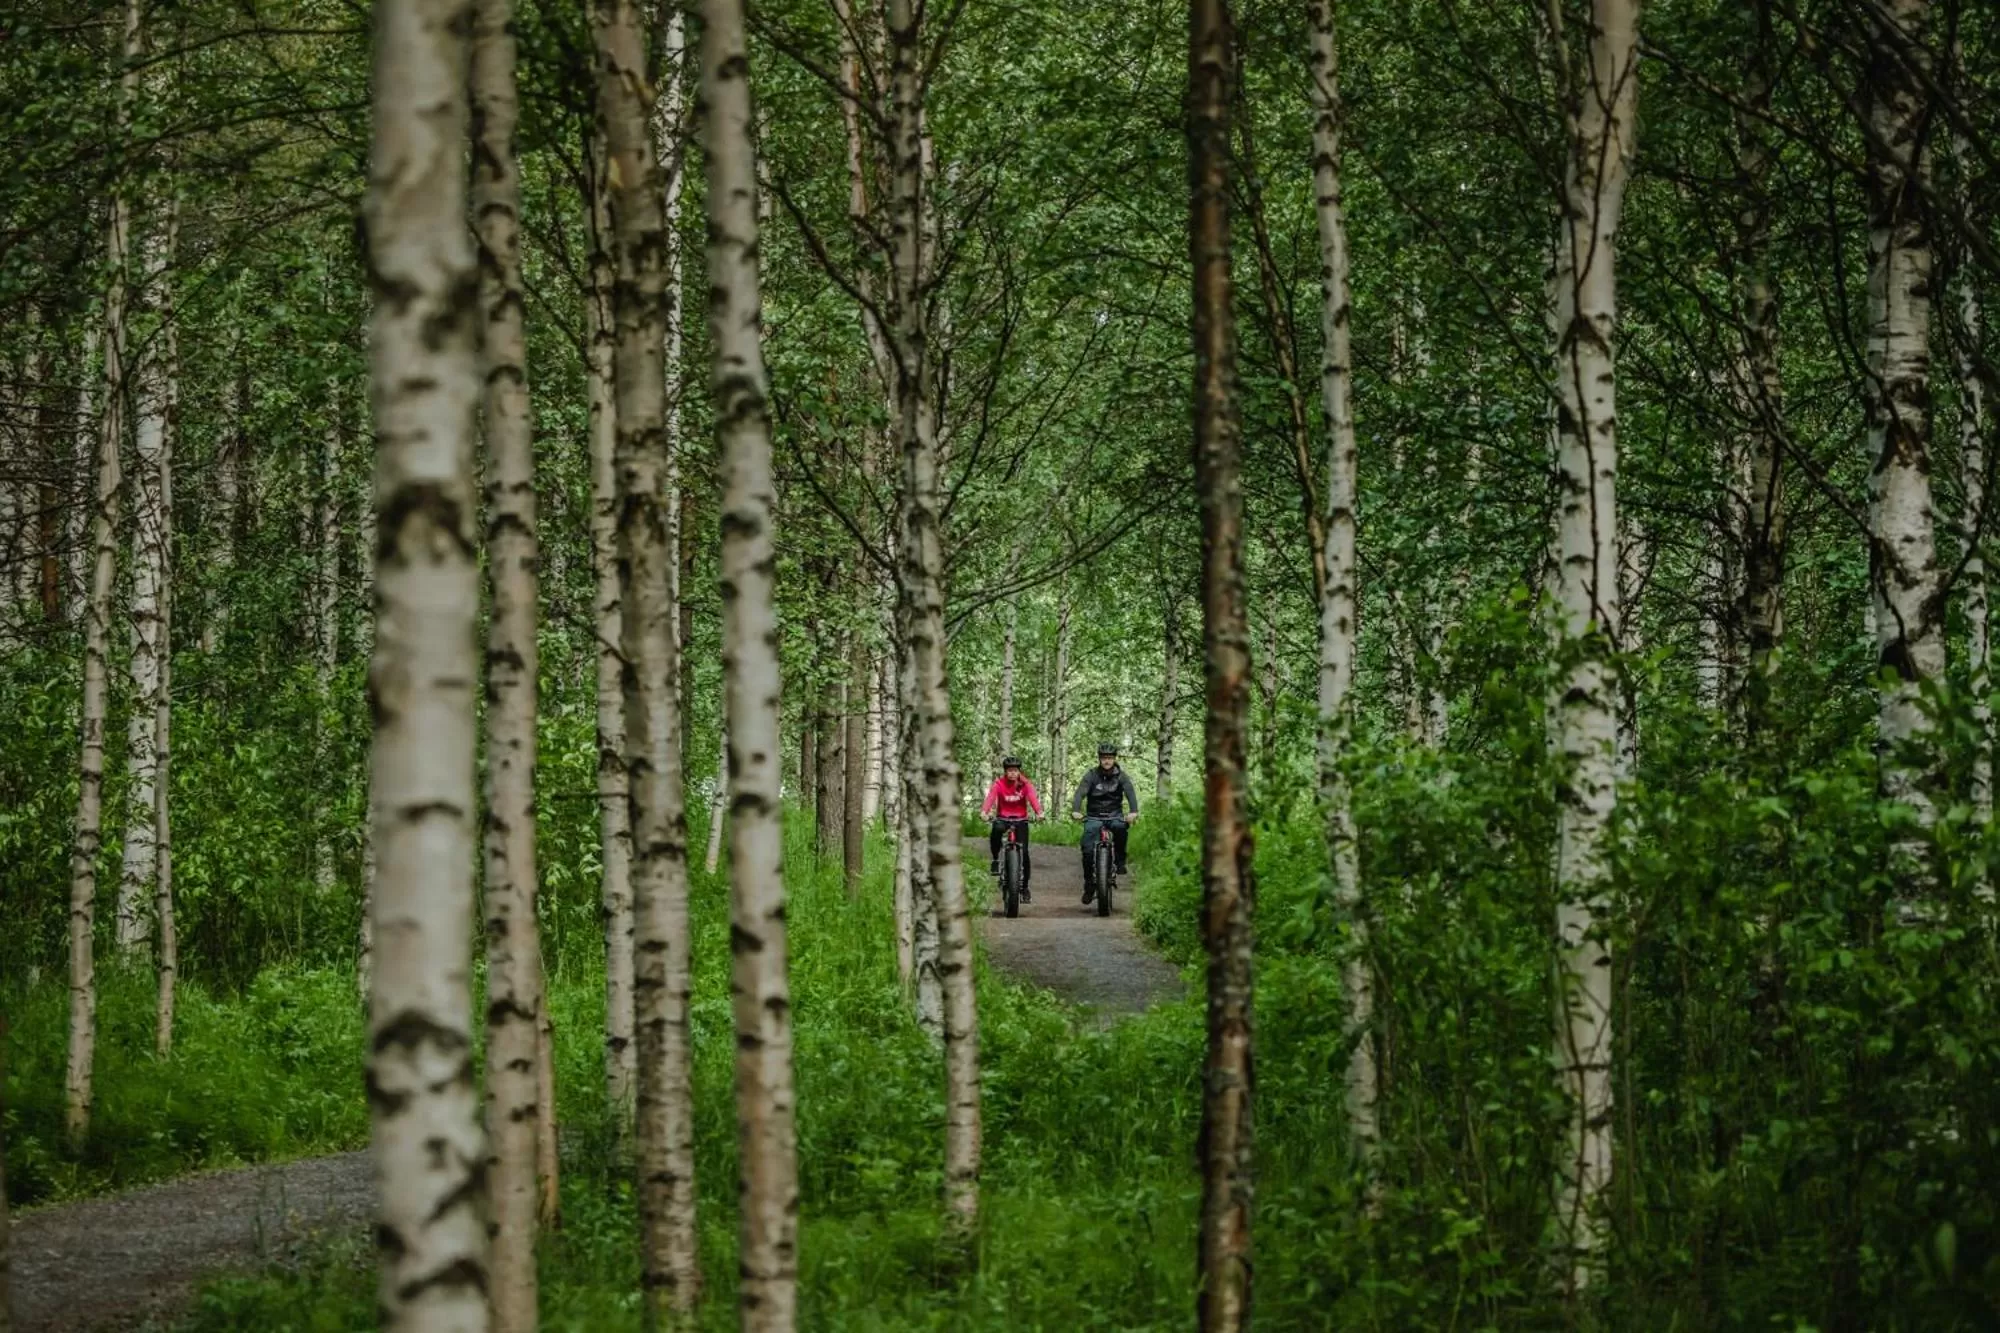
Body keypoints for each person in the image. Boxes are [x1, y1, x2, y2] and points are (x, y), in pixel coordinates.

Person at [1071, 741, 1139, 904]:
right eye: (1104, 758)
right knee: (1087, 849)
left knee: (1121, 829)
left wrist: (1133, 811)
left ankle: (1120, 861)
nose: (1107, 761)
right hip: (1094, 817)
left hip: (1114, 815)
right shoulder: (1091, 775)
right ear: (1099, 759)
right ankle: (1089, 884)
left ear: (1114, 759)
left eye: (1109, 758)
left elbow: (1130, 793)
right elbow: (1080, 792)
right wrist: (1076, 809)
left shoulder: (1121, 776)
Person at [981, 756, 1043, 901]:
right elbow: (990, 798)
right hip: (1003, 818)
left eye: (1015, 770)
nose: (1012, 773)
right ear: (1005, 771)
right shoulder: (999, 784)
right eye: (1009, 771)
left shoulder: (1025, 784)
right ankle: (996, 859)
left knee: (1025, 853)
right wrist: (984, 812)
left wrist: (1039, 812)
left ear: (1019, 771)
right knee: (996, 830)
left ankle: (1025, 888)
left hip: (1021, 819)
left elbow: (1033, 798)